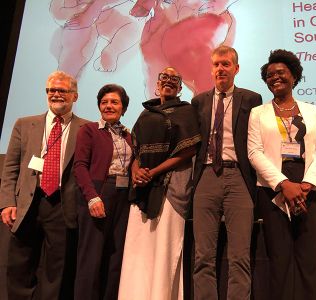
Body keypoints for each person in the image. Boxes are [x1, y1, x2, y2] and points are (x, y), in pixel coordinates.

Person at [247, 49, 316, 300]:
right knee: (279, 261)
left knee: (309, 263)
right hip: (273, 191)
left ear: (294, 76)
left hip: (309, 191)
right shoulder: (257, 113)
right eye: (270, 75)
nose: (275, 77)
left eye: (281, 72)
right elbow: (254, 152)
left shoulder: (312, 111)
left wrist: (307, 185)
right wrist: (283, 184)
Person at [0, 70, 88, 300]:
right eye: (52, 90)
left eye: (62, 90)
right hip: (27, 202)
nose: (56, 94)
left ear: (75, 96)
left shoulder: (86, 129)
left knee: (55, 269)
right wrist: (7, 202)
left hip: (62, 205)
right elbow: (10, 168)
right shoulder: (24, 124)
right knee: (20, 263)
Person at [118, 67, 201, 300]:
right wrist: (136, 172)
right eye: (164, 78)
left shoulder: (186, 112)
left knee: (165, 247)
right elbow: (135, 150)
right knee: (139, 248)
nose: (168, 82)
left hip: (171, 188)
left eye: (174, 79)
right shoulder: (146, 114)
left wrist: (152, 172)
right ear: (157, 84)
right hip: (143, 188)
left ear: (180, 87)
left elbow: (188, 150)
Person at [191, 45, 262, 300]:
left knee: (239, 256)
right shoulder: (198, 101)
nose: (220, 69)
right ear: (211, 69)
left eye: (226, 64)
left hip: (239, 177)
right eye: (216, 65)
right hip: (207, 176)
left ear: (236, 68)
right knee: (202, 256)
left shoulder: (251, 99)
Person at [73, 84, 132, 299]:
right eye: (104, 102)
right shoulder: (89, 130)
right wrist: (92, 197)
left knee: (114, 259)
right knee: (91, 259)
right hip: (98, 193)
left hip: (123, 197)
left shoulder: (128, 135)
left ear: (123, 108)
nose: (109, 106)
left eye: (114, 102)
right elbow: (79, 166)